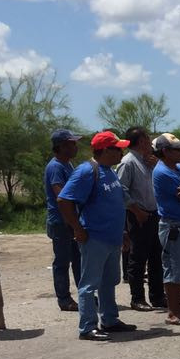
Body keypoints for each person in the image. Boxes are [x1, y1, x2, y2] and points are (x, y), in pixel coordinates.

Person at [57, 130, 136, 342]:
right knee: (89, 284)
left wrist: (123, 232)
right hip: (95, 238)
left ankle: (110, 320)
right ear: (105, 150)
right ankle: (87, 327)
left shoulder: (109, 171)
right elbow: (64, 200)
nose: (122, 152)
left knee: (109, 281)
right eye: (118, 149)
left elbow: (115, 205)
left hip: (112, 238)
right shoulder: (86, 171)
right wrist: (77, 228)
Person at [116, 126, 164, 312]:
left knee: (155, 258)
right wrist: (136, 211)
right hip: (138, 215)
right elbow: (121, 190)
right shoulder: (128, 162)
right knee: (137, 259)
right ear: (142, 141)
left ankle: (157, 296)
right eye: (147, 139)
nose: (150, 143)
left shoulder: (148, 161)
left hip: (153, 214)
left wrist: (156, 164)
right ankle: (137, 298)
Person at [152, 133, 180, 325]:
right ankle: (174, 311)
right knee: (174, 269)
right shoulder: (163, 172)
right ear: (165, 152)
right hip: (173, 226)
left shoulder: (177, 168)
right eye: (176, 149)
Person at [44, 128, 82, 312]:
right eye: (71, 143)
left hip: (71, 220)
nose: (75, 146)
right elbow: (62, 196)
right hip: (61, 221)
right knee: (62, 261)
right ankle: (64, 299)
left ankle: (84, 294)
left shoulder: (68, 165)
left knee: (78, 259)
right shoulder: (56, 167)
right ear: (61, 146)